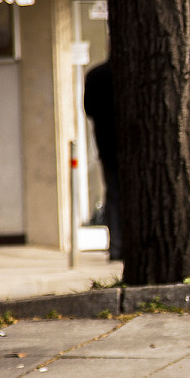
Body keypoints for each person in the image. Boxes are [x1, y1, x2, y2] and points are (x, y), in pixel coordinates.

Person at [83, 60, 122, 261]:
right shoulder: (133, 72)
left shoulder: (95, 75)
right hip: (131, 145)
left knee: (114, 195)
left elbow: (89, 109)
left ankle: (116, 247)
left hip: (107, 144)